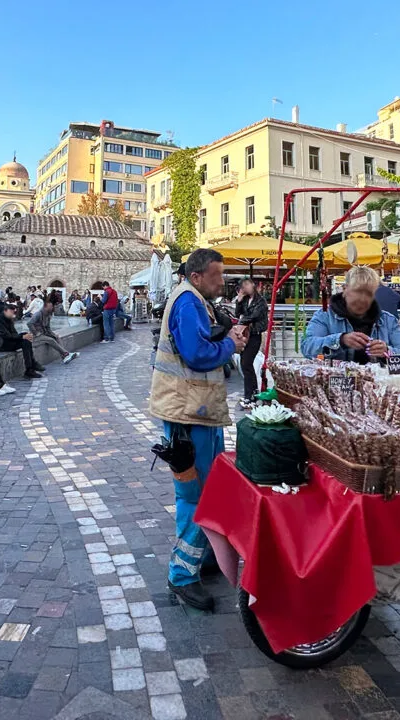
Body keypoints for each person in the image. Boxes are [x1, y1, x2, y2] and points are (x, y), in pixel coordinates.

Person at [149, 248, 247, 612]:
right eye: (217, 274)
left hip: (195, 410)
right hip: (189, 413)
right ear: (196, 276)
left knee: (201, 490)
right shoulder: (189, 303)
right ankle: (182, 573)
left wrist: (223, 335)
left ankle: (204, 556)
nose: (222, 281)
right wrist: (230, 345)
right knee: (198, 494)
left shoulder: (191, 300)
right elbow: (196, 354)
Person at [302, 266, 400, 362]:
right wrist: (340, 340)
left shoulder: (388, 320)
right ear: (345, 289)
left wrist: (387, 351)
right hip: (335, 382)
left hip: (379, 383)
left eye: (368, 293)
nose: (363, 299)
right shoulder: (324, 316)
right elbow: (307, 347)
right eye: (358, 291)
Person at [234, 278, 269, 409]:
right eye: (243, 285)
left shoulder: (260, 301)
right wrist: (238, 300)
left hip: (254, 335)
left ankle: (251, 395)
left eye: (248, 284)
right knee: (245, 365)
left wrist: (242, 322)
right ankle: (250, 394)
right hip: (245, 335)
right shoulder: (244, 300)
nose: (246, 287)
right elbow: (238, 314)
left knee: (246, 363)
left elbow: (254, 316)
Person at [0, 302, 44, 378]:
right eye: (11, 312)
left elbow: (14, 334)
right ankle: (31, 366)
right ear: (5, 311)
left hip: (5, 341)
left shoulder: (9, 320)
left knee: (26, 340)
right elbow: (6, 335)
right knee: (24, 340)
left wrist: (24, 335)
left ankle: (30, 367)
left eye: (13, 312)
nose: (13, 314)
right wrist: (22, 337)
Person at [28, 299, 79, 364]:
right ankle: (66, 354)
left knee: (57, 337)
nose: (52, 307)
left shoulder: (48, 315)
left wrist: (53, 334)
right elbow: (29, 323)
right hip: (36, 336)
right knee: (50, 340)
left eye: (52, 306)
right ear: (45, 307)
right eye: (50, 306)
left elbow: (48, 328)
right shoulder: (38, 314)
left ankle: (64, 357)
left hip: (44, 334)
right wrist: (36, 333)